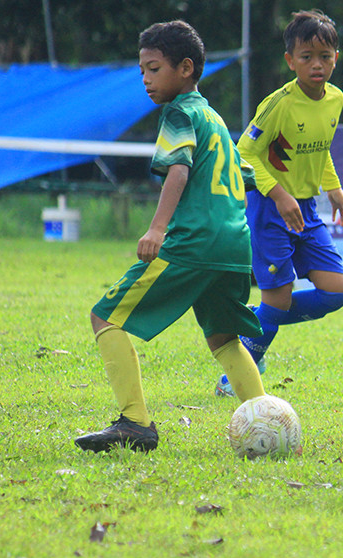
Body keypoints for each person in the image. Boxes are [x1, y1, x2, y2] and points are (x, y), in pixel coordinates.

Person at [75, 20, 265, 452]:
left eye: (153, 68)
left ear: (184, 68)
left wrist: (157, 227)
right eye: (142, 70)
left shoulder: (179, 113)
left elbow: (178, 169)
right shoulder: (213, 118)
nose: (145, 78)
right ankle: (268, 420)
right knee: (224, 338)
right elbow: (245, 175)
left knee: (105, 316)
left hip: (194, 242)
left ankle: (135, 423)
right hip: (234, 246)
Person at [217, 9, 343, 397]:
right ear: (290, 61)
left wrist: (334, 188)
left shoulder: (335, 99)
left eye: (324, 56)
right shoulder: (278, 104)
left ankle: (255, 326)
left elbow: (319, 149)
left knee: (336, 292)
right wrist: (278, 193)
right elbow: (243, 152)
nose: (317, 65)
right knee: (278, 296)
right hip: (270, 208)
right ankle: (237, 375)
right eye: (306, 57)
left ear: (335, 59)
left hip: (306, 209)